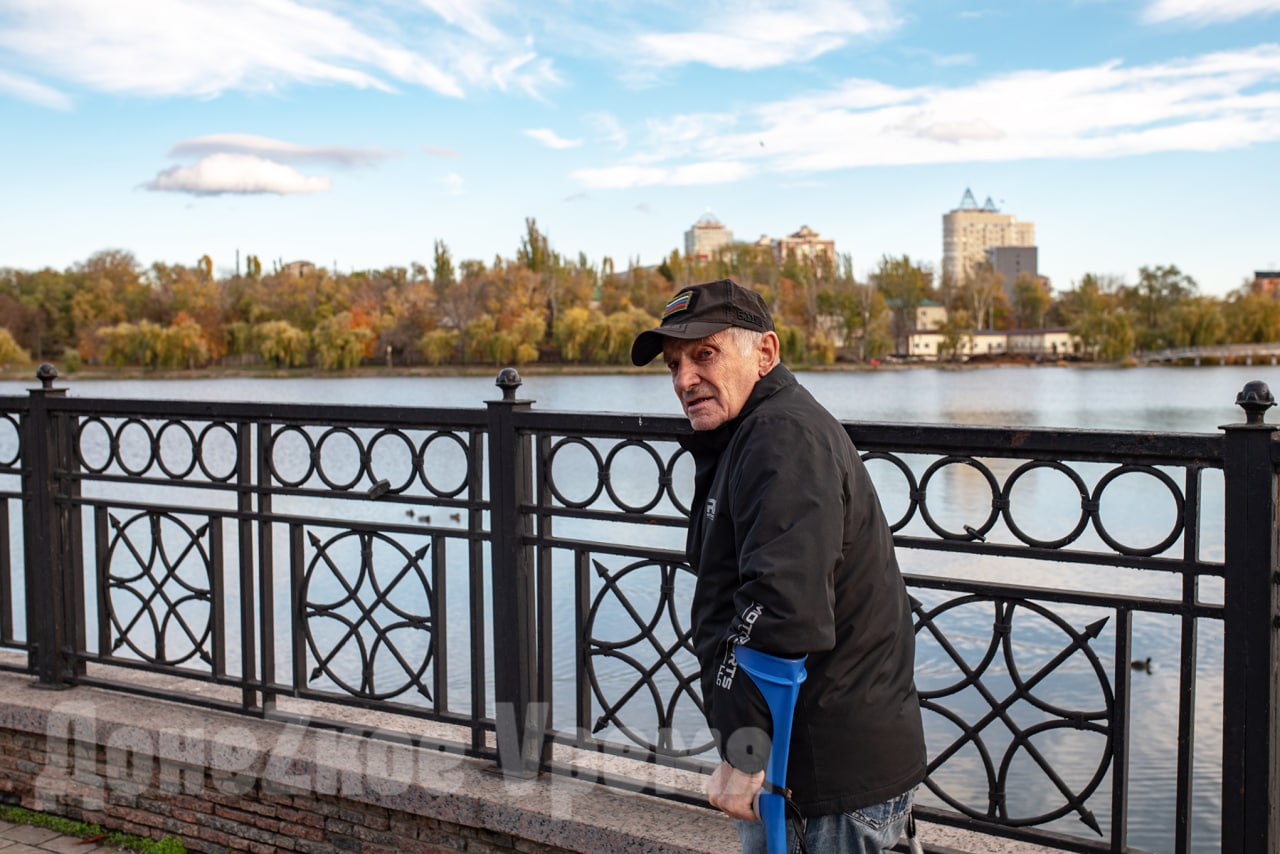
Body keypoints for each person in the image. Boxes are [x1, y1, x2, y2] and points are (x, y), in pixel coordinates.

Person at [630, 279, 926, 854]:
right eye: (674, 364)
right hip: (812, 764)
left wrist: (746, 751)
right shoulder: (751, 432)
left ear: (765, 353)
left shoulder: (783, 437)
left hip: (819, 774)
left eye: (704, 354)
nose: (684, 380)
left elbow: (780, 608)